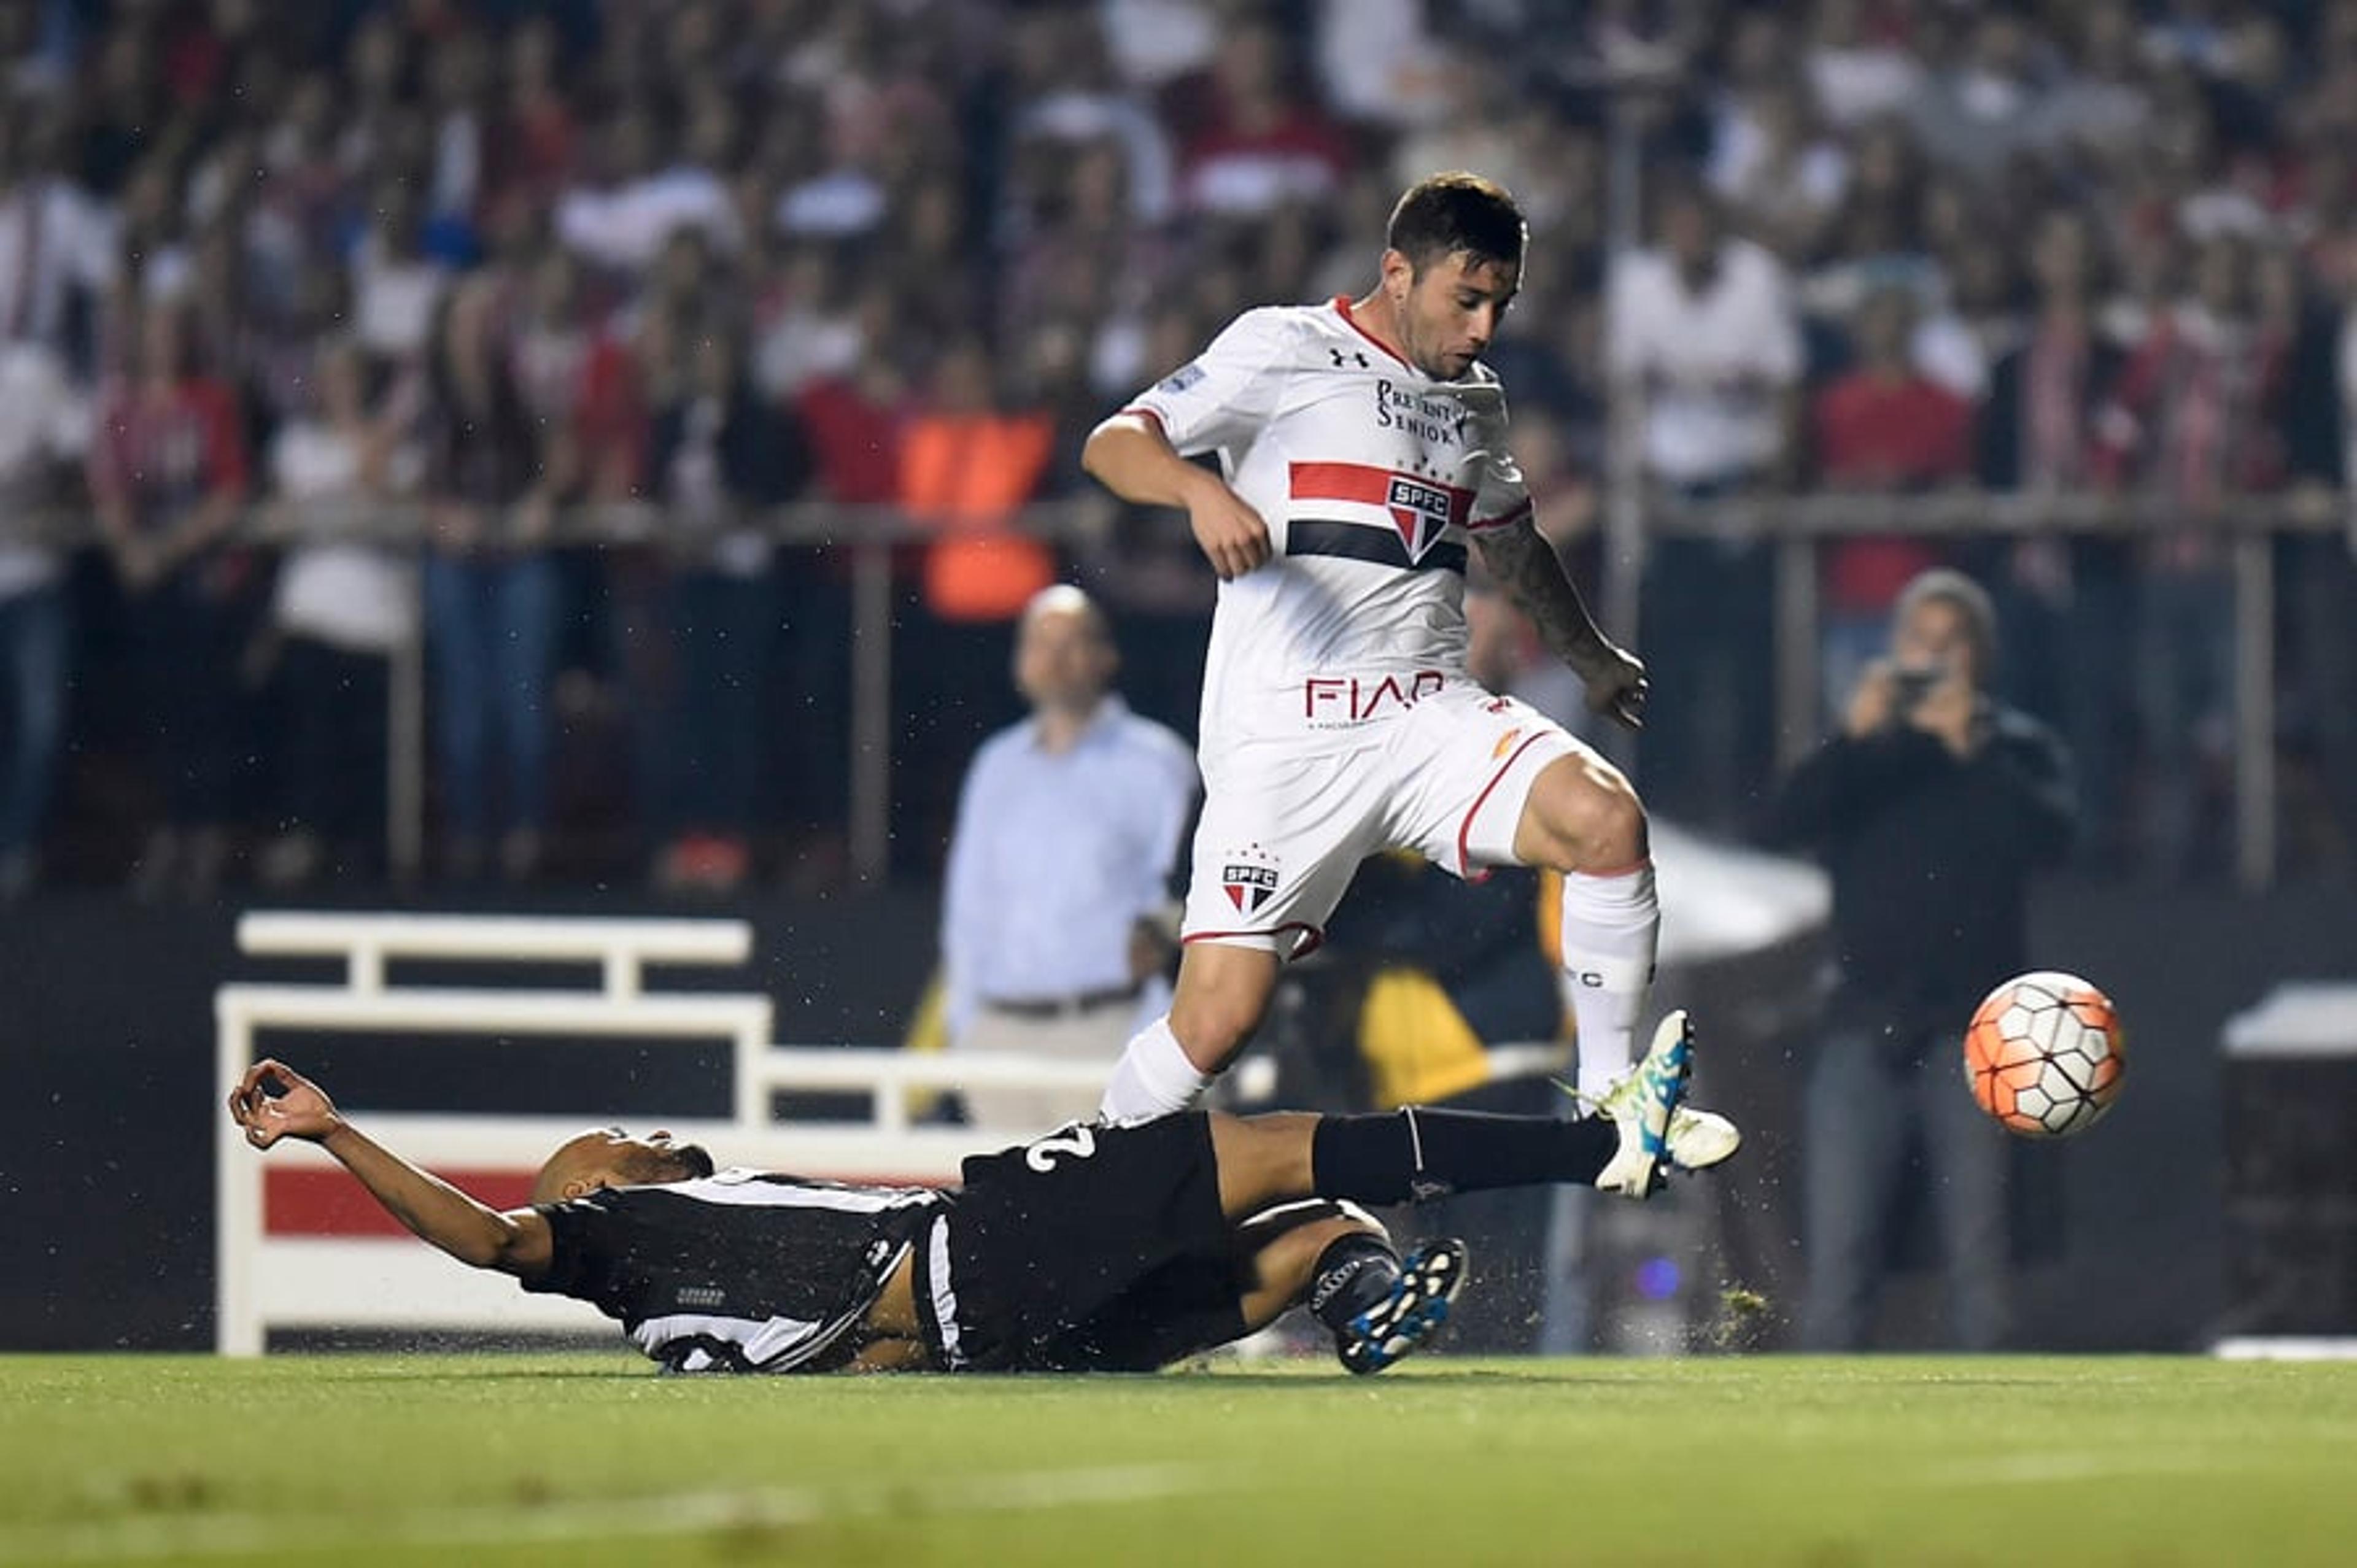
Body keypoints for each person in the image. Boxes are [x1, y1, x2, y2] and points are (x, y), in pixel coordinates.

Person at [1078, 171, 1736, 1191]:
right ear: (1398, 272)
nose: (1482, 327)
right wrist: (1198, 490)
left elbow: (1512, 549)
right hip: (1285, 741)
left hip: (1429, 713)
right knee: (1218, 1022)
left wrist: (1589, 655)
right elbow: (1116, 442)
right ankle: (1079, 1184)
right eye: (1464, 299)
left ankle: (1614, 1104)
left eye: (1499, 307)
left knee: (1606, 822)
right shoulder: (1284, 348)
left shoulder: (1476, 403)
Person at [225, 1015, 1706, 1376]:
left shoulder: (677, 1299)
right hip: (971, 1246)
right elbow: (489, 1238)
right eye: (615, 1131)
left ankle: (1361, 1304)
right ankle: (1599, 1146)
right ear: (590, 1189)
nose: (647, 1130)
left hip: (981, 1335)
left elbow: (832, 1357)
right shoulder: (607, 1241)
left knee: (1318, 1237)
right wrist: (338, 1129)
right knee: (1269, 1143)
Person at [1762, 569, 2076, 1351]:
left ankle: (1997, 1440)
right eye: (1919, 642)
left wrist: (1971, 746)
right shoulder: (1869, 754)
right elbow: (1778, 821)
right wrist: (1854, 737)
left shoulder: (2013, 748)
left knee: (1980, 1255)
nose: (1933, 659)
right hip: (1861, 1022)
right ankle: (1812, 1443)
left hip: (1976, 1037)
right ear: (1893, 649)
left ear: (1981, 654)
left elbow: (2053, 838)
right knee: (1840, 1256)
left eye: (1950, 642)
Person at [940, 584, 1199, 1131]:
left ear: (1107, 656)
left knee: (1116, 1215)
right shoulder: (997, 765)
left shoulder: (1157, 764)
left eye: (1072, 642)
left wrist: (1157, 1042)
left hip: (1111, 1034)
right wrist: (966, 1028)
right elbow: (969, 908)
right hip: (1000, 1040)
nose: (1054, 659)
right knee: (1006, 1217)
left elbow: (1182, 902)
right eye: (1039, 642)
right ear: (1019, 661)